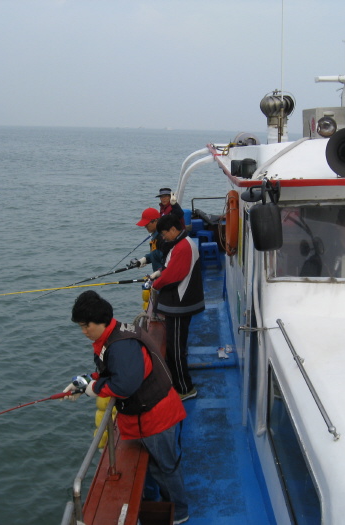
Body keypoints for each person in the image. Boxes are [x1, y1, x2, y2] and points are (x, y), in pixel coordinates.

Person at [63, 290, 189, 525]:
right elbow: (113, 372)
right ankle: (157, 503)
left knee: (166, 468)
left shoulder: (121, 346)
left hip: (156, 417)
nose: (83, 332)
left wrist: (94, 389)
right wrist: (84, 382)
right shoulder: (116, 334)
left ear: (100, 321)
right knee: (156, 467)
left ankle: (180, 512)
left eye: (85, 326)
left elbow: (124, 385)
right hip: (147, 416)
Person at [147, 214, 204, 400]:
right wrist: (159, 273)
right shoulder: (180, 243)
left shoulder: (183, 247)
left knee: (176, 349)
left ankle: (185, 389)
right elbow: (169, 268)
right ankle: (179, 384)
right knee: (174, 346)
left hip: (180, 304)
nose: (163, 237)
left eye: (164, 234)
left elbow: (173, 275)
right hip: (179, 303)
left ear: (173, 229)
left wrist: (155, 284)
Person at [131, 207, 165, 271]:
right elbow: (156, 255)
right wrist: (144, 259)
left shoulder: (162, 238)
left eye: (147, 224)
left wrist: (158, 273)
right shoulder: (155, 236)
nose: (145, 226)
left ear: (156, 221)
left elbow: (167, 261)